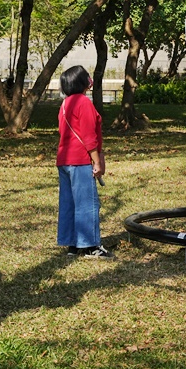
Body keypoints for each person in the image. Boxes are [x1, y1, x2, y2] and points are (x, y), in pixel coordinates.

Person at [56, 65, 112, 259]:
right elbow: (89, 137)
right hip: (80, 160)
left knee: (69, 203)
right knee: (87, 203)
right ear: (82, 81)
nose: (90, 79)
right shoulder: (84, 103)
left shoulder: (65, 104)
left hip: (64, 160)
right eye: (87, 76)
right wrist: (97, 162)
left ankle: (73, 244)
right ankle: (90, 245)